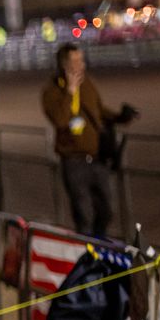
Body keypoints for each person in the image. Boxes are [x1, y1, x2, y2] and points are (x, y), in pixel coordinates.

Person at [41, 44, 137, 238]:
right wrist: (70, 91)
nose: (81, 66)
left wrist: (120, 117)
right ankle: (88, 253)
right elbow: (60, 120)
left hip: (97, 158)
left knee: (106, 211)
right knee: (83, 215)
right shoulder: (51, 92)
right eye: (75, 61)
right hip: (73, 162)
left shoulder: (88, 85)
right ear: (63, 64)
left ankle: (98, 244)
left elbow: (98, 111)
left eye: (82, 60)